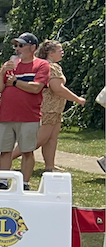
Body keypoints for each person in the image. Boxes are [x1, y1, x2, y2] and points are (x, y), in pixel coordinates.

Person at [12, 39, 86, 173]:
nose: (62, 52)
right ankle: (7, 158)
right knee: (38, 139)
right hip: (47, 108)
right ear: (51, 53)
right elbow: (57, 88)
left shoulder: (51, 65)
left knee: (51, 139)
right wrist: (77, 99)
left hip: (55, 109)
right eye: (60, 50)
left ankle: (50, 166)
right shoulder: (50, 67)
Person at [0, 32, 50, 189]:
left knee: (27, 151)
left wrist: (16, 82)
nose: (17, 48)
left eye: (21, 45)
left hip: (28, 116)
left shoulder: (41, 65)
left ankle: (24, 183)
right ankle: (3, 182)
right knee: (5, 151)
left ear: (32, 47)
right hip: (6, 115)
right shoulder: (10, 65)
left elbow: (36, 88)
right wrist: (3, 71)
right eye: (16, 45)